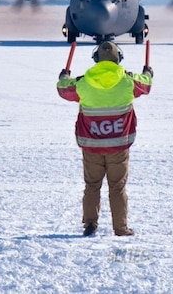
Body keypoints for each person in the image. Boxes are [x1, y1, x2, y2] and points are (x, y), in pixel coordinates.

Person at [56, 40, 153, 237]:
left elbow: (64, 89)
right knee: (117, 187)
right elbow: (146, 85)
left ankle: (90, 224)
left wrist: (63, 76)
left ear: (96, 59)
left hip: (91, 146)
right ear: (118, 59)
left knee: (92, 186)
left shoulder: (84, 83)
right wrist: (148, 73)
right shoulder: (128, 81)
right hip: (118, 145)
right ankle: (121, 228)